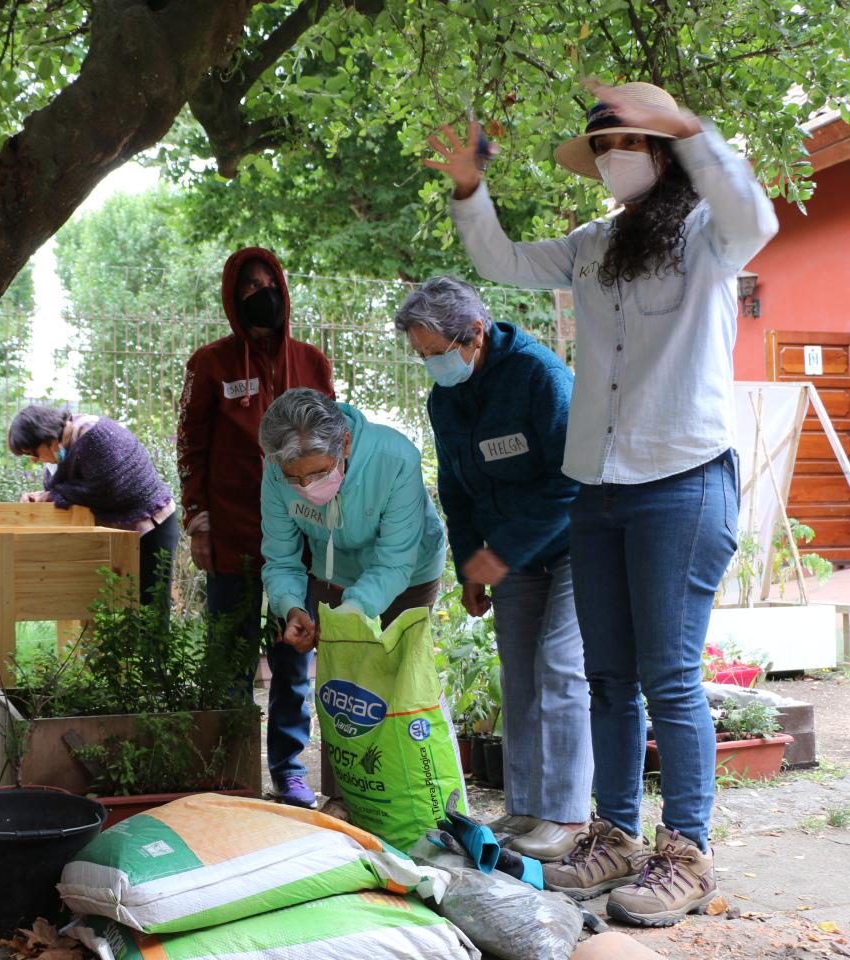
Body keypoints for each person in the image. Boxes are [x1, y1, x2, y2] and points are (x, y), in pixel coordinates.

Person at [424, 79, 778, 925]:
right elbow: (500, 264)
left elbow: (758, 220)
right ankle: (615, 836)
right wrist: (469, 187)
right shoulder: (594, 243)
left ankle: (685, 852)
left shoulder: (705, 233)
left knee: (669, 677)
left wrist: (693, 127)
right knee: (607, 676)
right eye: (605, 149)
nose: (613, 160)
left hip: (681, 481)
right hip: (601, 487)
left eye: (627, 144)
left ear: (660, 151)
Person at [399, 275, 591, 862]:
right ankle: (528, 806)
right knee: (518, 674)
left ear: (476, 333)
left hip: (575, 541)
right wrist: (467, 566)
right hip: (508, 552)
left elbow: (571, 478)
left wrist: (497, 554)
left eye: (438, 352)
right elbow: (456, 489)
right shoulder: (445, 399)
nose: (433, 365)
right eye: (423, 356)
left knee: (560, 667)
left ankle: (566, 816)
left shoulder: (541, 378)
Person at [177, 248, 335, 808]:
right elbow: (190, 447)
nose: (260, 292)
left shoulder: (312, 362)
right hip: (235, 534)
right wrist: (199, 520)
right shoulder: (210, 363)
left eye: (268, 282)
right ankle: (229, 769)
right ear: (231, 298)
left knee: (296, 653)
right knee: (230, 654)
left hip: (303, 534)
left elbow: (333, 441)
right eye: (248, 287)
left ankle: (288, 769)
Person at [258, 388, 447, 678]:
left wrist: (353, 610)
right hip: (333, 572)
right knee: (344, 680)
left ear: (344, 444)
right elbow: (280, 558)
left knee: (398, 677)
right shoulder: (275, 470)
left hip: (409, 575)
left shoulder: (396, 459)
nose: (306, 486)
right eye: (294, 478)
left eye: (319, 473)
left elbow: (394, 562)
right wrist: (292, 606)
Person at [8, 404, 179, 615]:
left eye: (32, 452)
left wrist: (53, 495)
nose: (34, 459)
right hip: (127, 530)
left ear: (46, 435)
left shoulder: (94, 435)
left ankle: (153, 650)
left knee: (150, 611)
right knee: (127, 611)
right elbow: (70, 490)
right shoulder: (60, 452)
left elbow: (109, 486)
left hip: (153, 522)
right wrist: (40, 496)